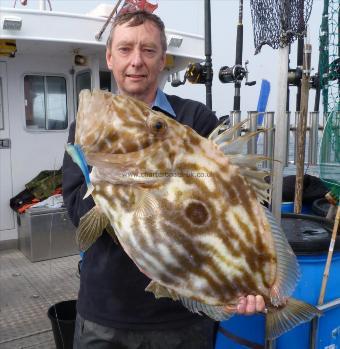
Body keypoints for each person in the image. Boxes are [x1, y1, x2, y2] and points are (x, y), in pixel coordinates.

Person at [62, 10, 265, 349]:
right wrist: (118, 179)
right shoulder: (89, 130)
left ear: (162, 61)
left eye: (148, 50)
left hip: (183, 316)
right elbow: (78, 215)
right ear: (109, 58)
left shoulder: (194, 119)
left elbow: (235, 199)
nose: (136, 61)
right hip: (105, 314)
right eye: (125, 49)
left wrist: (248, 275)